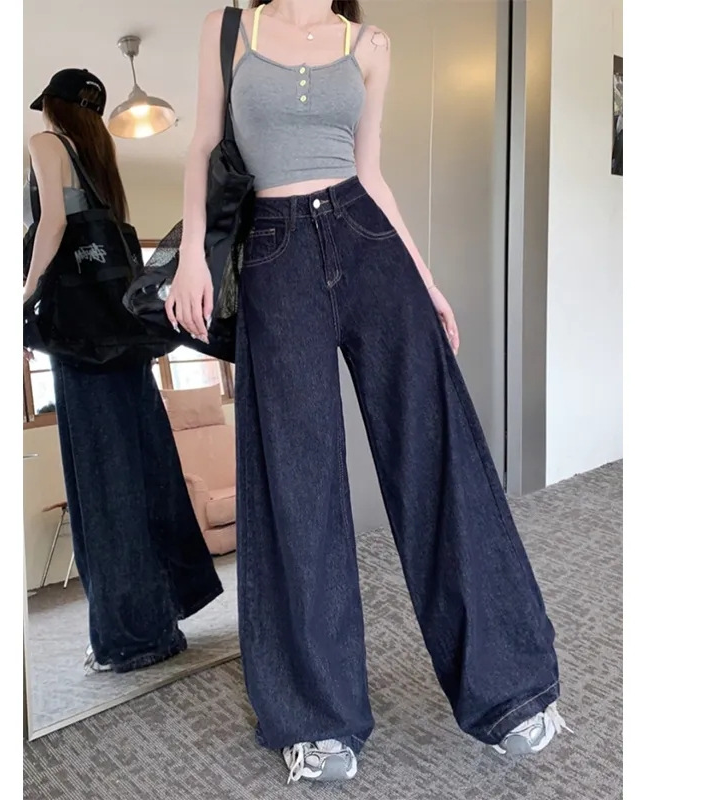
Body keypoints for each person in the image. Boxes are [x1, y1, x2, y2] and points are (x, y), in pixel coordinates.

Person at [168, 0, 569, 783]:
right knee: (298, 482)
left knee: (437, 459)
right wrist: (189, 254)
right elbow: (204, 145)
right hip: (276, 255)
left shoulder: (371, 45)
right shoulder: (230, 28)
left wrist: (428, 282)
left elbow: (372, 173)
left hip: (368, 240)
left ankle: (509, 688)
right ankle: (318, 716)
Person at [24, 68, 224, 674]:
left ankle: (131, 636)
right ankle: (158, 619)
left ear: (55, 108)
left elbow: (53, 224)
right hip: (125, 347)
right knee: (144, 476)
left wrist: (23, 293)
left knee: (102, 490)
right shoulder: (100, 166)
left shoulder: (45, 143)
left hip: (82, 350)